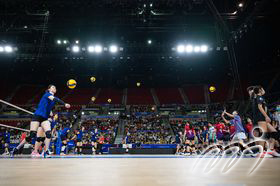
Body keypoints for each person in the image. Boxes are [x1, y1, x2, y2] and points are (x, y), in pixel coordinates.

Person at [253, 86, 280, 157]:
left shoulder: (260, 98)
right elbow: (260, 107)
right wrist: (266, 116)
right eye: (263, 89)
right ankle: (261, 152)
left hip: (264, 119)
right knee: (263, 134)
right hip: (261, 118)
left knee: (274, 133)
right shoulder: (259, 97)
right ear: (260, 90)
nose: (264, 90)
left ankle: (270, 150)